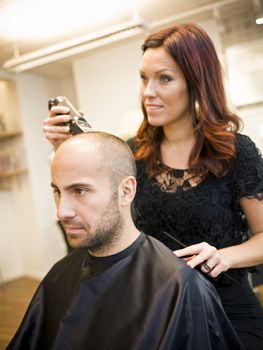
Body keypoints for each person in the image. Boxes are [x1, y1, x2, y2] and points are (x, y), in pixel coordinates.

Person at [42, 23, 263, 349]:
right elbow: (94, 218)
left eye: (164, 79)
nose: (148, 91)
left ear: (196, 83)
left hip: (227, 307)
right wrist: (63, 150)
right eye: (144, 78)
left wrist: (224, 257)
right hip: (160, 308)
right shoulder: (132, 154)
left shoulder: (235, 152)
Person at [7, 132, 243, 350]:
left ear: (126, 191)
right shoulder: (58, 276)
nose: (61, 211)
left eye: (79, 190)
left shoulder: (179, 286)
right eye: (57, 191)